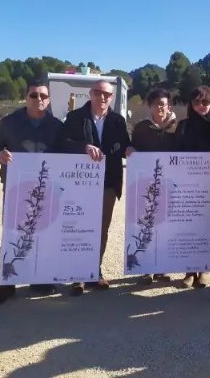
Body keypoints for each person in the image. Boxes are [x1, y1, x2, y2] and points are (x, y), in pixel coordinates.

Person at [0, 80, 63, 305]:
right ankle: (7, 283)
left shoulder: (56, 126)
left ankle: (39, 279)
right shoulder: (9, 123)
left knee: (41, 233)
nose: (39, 100)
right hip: (15, 187)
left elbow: (67, 151)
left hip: (45, 188)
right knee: (13, 233)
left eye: (43, 96)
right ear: (26, 97)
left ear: (49, 100)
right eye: (34, 95)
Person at [61, 79, 130, 296]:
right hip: (79, 183)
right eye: (99, 93)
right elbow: (62, 144)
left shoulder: (118, 121)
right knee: (79, 227)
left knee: (101, 229)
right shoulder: (74, 118)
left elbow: (125, 146)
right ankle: (77, 275)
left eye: (107, 94)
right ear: (91, 94)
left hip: (108, 182)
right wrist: (83, 147)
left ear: (112, 98)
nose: (103, 97)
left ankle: (94, 270)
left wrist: (130, 150)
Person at [126, 88, 178, 286]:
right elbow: (133, 149)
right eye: (156, 104)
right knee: (146, 223)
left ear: (169, 107)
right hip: (146, 185)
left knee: (165, 226)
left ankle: (162, 267)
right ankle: (145, 267)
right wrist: (130, 149)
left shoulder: (177, 127)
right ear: (150, 107)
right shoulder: (141, 128)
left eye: (163, 104)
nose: (160, 107)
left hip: (170, 185)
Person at [175, 85, 210, 288]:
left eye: (206, 101)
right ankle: (189, 270)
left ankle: (204, 268)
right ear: (191, 104)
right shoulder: (183, 126)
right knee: (188, 225)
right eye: (197, 101)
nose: (202, 105)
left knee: (207, 225)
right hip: (187, 185)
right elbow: (174, 155)